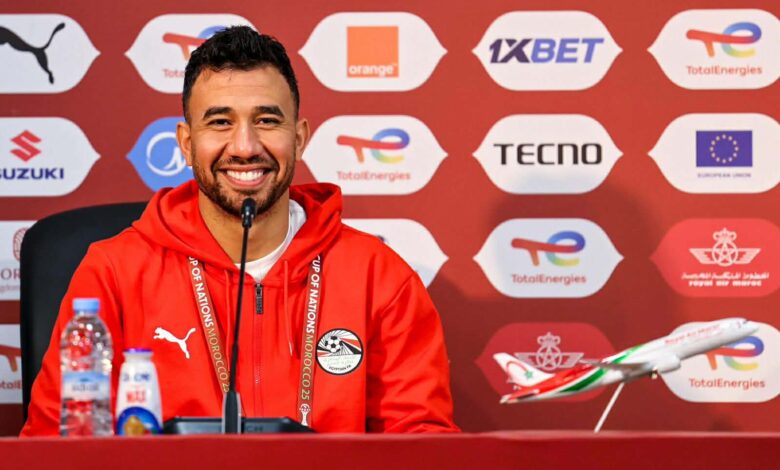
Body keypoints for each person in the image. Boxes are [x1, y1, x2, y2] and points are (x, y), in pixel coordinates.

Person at [22, 26, 457, 435]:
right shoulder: (114, 272)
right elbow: (57, 443)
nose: (245, 147)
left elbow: (421, 443)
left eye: (266, 121)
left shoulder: (378, 277)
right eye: (220, 122)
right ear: (187, 143)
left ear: (299, 138)